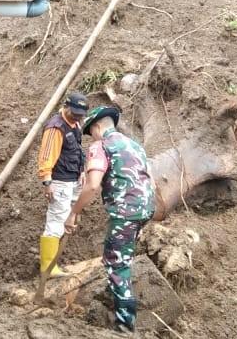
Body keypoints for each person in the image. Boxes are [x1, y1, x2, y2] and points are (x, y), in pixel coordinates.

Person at [65, 105, 156, 334]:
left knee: (116, 262)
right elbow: (149, 178)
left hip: (125, 211)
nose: (91, 137)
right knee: (122, 256)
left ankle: (125, 323)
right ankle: (115, 298)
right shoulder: (134, 145)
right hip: (145, 208)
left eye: (91, 132)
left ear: (96, 127)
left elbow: (93, 185)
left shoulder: (100, 146)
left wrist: (74, 211)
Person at [36, 91, 89, 277]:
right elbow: (46, 156)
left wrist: (81, 171)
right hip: (59, 180)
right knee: (56, 220)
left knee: (66, 218)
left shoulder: (75, 124)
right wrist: (47, 182)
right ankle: (48, 268)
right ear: (65, 107)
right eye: (74, 113)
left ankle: (54, 262)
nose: (77, 117)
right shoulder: (55, 127)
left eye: (80, 115)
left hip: (73, 178)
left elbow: (77, 150)